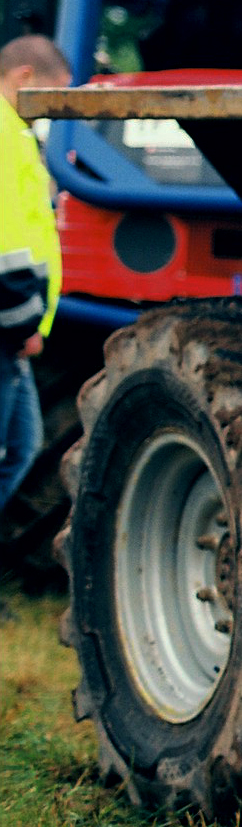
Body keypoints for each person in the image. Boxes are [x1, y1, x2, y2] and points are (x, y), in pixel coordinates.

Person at [0, 33, 70, 515]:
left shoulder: (17, 133)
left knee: (22, 448)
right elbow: (7, 242)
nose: (52, 111)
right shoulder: (5, 135)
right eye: (51, 95)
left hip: (13, 321)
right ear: (25, 77)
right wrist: (22, 322)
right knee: (15, 449)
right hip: (8, 322)